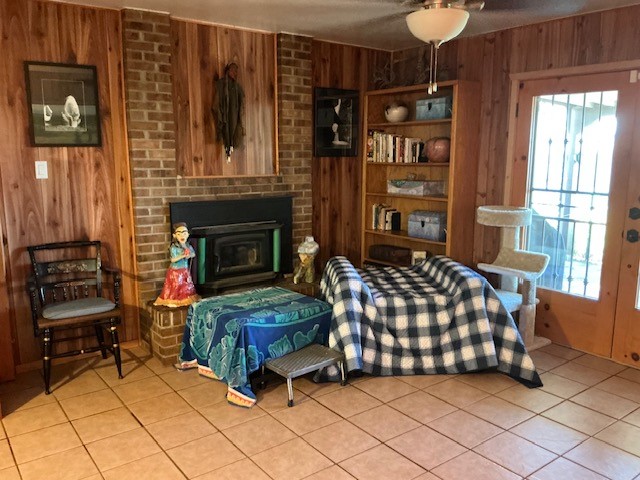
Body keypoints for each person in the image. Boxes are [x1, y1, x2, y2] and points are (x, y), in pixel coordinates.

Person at [154, 222, 201, 307]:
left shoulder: (187, 246)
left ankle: (185, 298)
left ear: (188, 235)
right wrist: (183, 255)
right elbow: (173, 259)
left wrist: (189, 255)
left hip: (185, 270)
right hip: (176, 271)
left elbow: (193, 254)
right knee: (176, 285)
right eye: (179, 234)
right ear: (175, 235)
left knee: (186, 285)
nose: (182, 236)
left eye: (184, 233)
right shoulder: (174, 247)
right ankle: (174, 300)